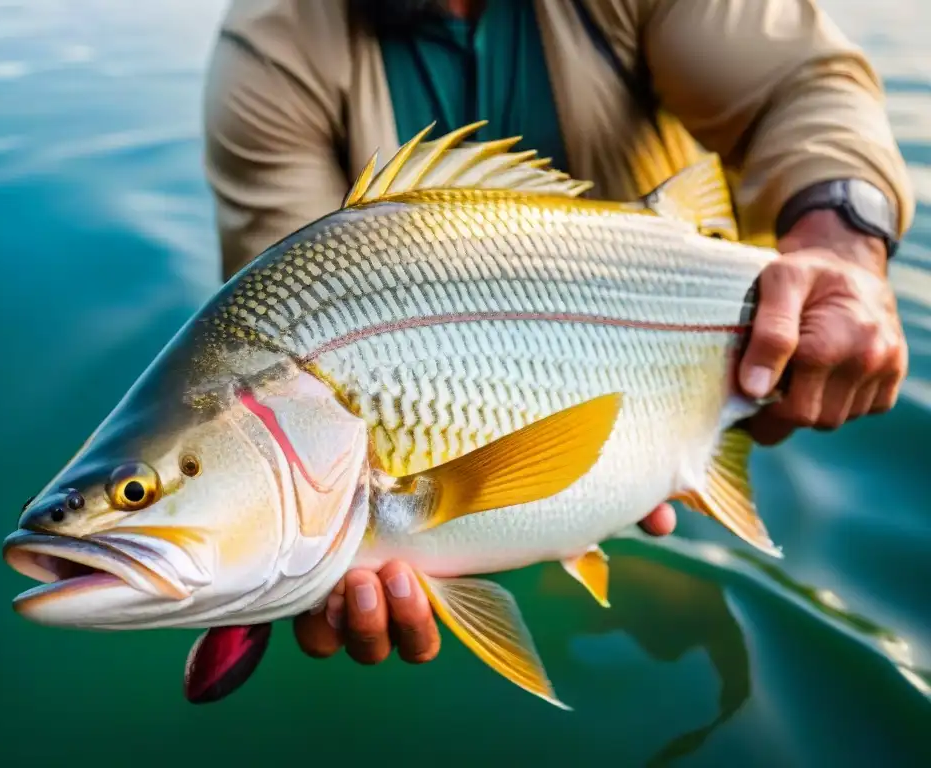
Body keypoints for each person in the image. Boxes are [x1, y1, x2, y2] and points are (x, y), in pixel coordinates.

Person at [201, 0, 912, 667]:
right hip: (435, 496)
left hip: (693, 385)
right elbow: (274, 332)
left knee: (667, 630)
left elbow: (800, 80)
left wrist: (843, 245)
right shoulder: (271, 49)